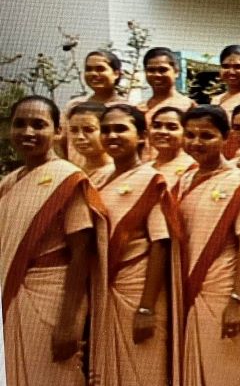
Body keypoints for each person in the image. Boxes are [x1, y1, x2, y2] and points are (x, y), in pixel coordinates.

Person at [0, 96, 109, 386]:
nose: (28, 132)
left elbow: (81, 255)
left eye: (39, 124)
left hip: (51, 297)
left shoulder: (68, 178)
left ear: (57, 131)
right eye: (19, 124)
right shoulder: (9, 182)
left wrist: (68, 323)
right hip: (12, 297)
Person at [174, 105, 240, 385]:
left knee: (226, 371)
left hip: (221, 290)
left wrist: (236, 301)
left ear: (226, 138)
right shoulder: (185, 179)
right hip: (188, 290)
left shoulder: (239, 182)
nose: (196, 142)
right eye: (190, 135)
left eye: (207, 135)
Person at [92, 104, 178, 386]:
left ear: (142, 136)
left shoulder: (152, 180)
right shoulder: (98, 179)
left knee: (142, 374)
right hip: (104, 291)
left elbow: (160, 244)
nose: (111, 136)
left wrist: (146, 308)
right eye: (106, 130)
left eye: (120, 129)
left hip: (138, 291)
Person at [62, 51, 128, 165]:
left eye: (100, 69)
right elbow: (61, 142)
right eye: (89, 69)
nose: (93, 73)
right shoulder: (73, 106)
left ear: (116, 73)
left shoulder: (127, 109)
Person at [136, 47, 196, 160]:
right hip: (144, 170)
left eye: (162, 70)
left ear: (176, 72)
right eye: (151, 70)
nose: (157, 75)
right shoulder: (139, 108)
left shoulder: (187, 106)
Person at [148, 106, 197, 189]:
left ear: (185, 133)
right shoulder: (145, 168)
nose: (162, 131)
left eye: (172, 127)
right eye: (156, 126)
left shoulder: (193, 168)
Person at [66, 102, 113, 177]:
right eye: (74, 130)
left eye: (89, 130)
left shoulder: (116, 172)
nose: (80, 136)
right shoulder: (72, 172)